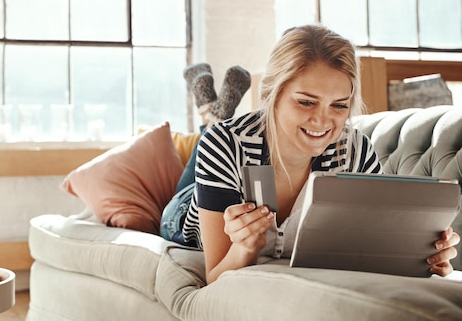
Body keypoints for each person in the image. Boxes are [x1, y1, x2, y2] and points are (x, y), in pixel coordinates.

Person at [163, 24, 460, 284]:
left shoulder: (355, 151)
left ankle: (212, 115)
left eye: (339, 106)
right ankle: (211, 121)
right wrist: (244, 247)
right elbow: (215, 275)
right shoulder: (225, 144)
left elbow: (373, 253)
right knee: (210, 141)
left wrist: (423, 256)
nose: (322, 121)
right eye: (306, 103)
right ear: (270, 96)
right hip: (183, 215)